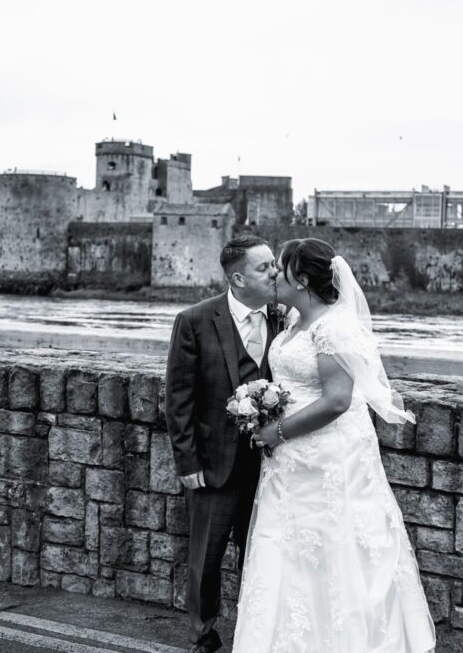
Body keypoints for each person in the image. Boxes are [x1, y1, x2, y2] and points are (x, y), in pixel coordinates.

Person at [233, 238, 436, 653]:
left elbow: (338, 400)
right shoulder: (293, 322)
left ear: (303, 279)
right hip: (290, 462)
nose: (275, 275)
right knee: (285, 548)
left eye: (282, 269)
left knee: (332, 547)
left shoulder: (333, 326)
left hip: (326, 456)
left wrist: (279, 431)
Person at [164, 235, 281, 653]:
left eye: (275, 264)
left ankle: (258, 634)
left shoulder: (285, 319)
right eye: (264, 267)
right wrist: (186, 461)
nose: (275, 272)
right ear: (237, 278)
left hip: (273, 465)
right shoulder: (194, 320)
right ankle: (203, 635)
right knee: (205, 561)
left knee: (263, 556)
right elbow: (178, 399)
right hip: (214, 464)